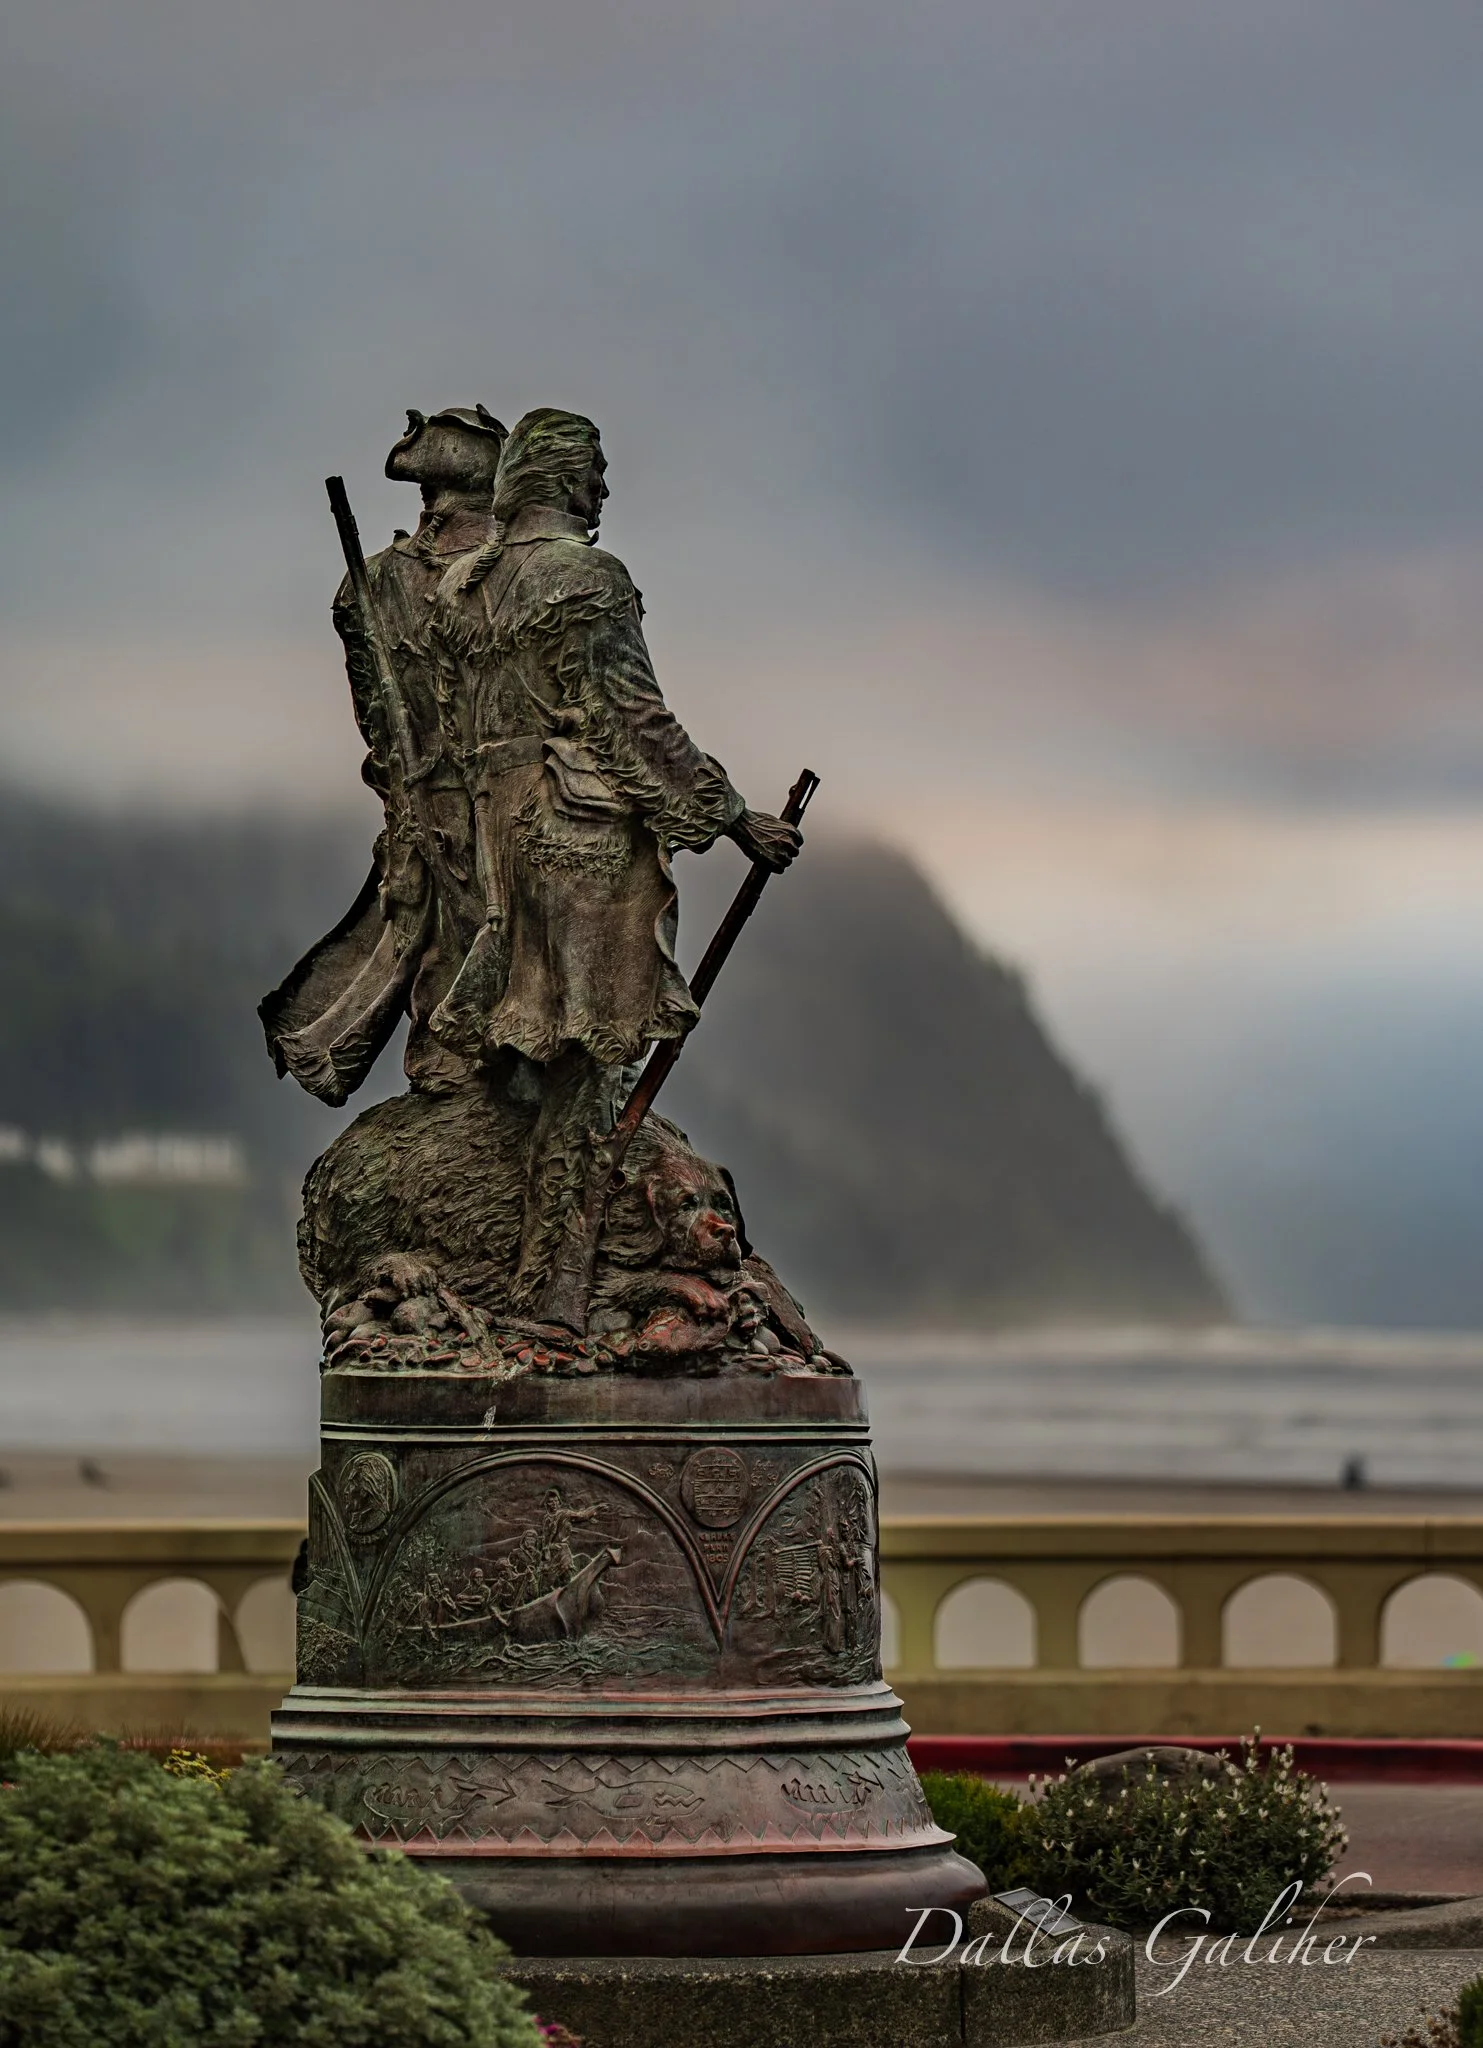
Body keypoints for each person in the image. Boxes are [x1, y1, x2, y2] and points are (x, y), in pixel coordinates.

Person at [425, 408, 800, 1320]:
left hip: (495, 837)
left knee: (527, 1052)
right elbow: (630, 715)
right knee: (590, 1062)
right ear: (556, 476)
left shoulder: (462, 588)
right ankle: (553, 1291)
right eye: (593, 469)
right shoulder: (586, 577)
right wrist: (730, 816)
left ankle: (532, 1274)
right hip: (577, 839)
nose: (603, 490)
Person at [261, 404, 507, 1101]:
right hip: (445, 796)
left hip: (451, 792)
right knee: (443, 930)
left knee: (459, 929)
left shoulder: (375, 583)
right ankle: (433, 1058)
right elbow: (380, 714)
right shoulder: (388, 586)